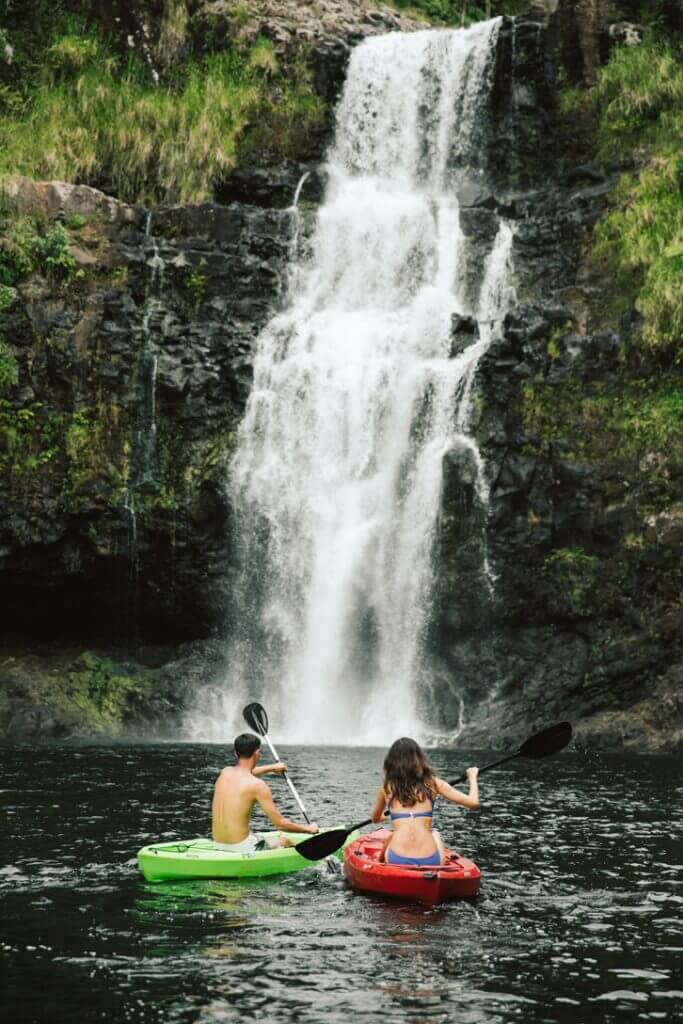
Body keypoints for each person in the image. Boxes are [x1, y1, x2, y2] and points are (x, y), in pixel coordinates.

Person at [370, 736, 479, 866]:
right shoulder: (433, 783)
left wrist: (385, 817)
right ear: (419, 759)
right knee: (435, 833)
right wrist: (472, 778)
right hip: (431, 860)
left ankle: (379, 863)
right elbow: (473, 803)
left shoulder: (387, 787)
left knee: (392, 836)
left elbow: (375, 819)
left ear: (391, 762)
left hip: (396, 858)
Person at [212, 732, 318, 852]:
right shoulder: (258, 786)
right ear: (257, 753)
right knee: (284, 840)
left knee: (258, 836)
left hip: (218, 844)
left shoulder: (225, 773)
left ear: (236, 753)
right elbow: (281, 824)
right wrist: (309, 829)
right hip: (241, 847)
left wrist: (272, 768)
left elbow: (245, 773)